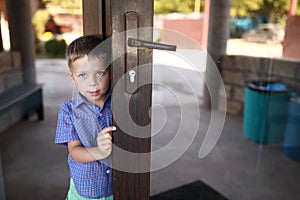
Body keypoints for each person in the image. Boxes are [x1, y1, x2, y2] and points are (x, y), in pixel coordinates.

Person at [55, 35, 115, 200]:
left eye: (100, 73)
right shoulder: (69, 111)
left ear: (110, 71)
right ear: (72, 77)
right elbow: (74, 152)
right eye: (83, 75)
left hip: (115, 189)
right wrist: (99, 151)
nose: (92, 83)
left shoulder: (118, 103)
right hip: (84, 192)